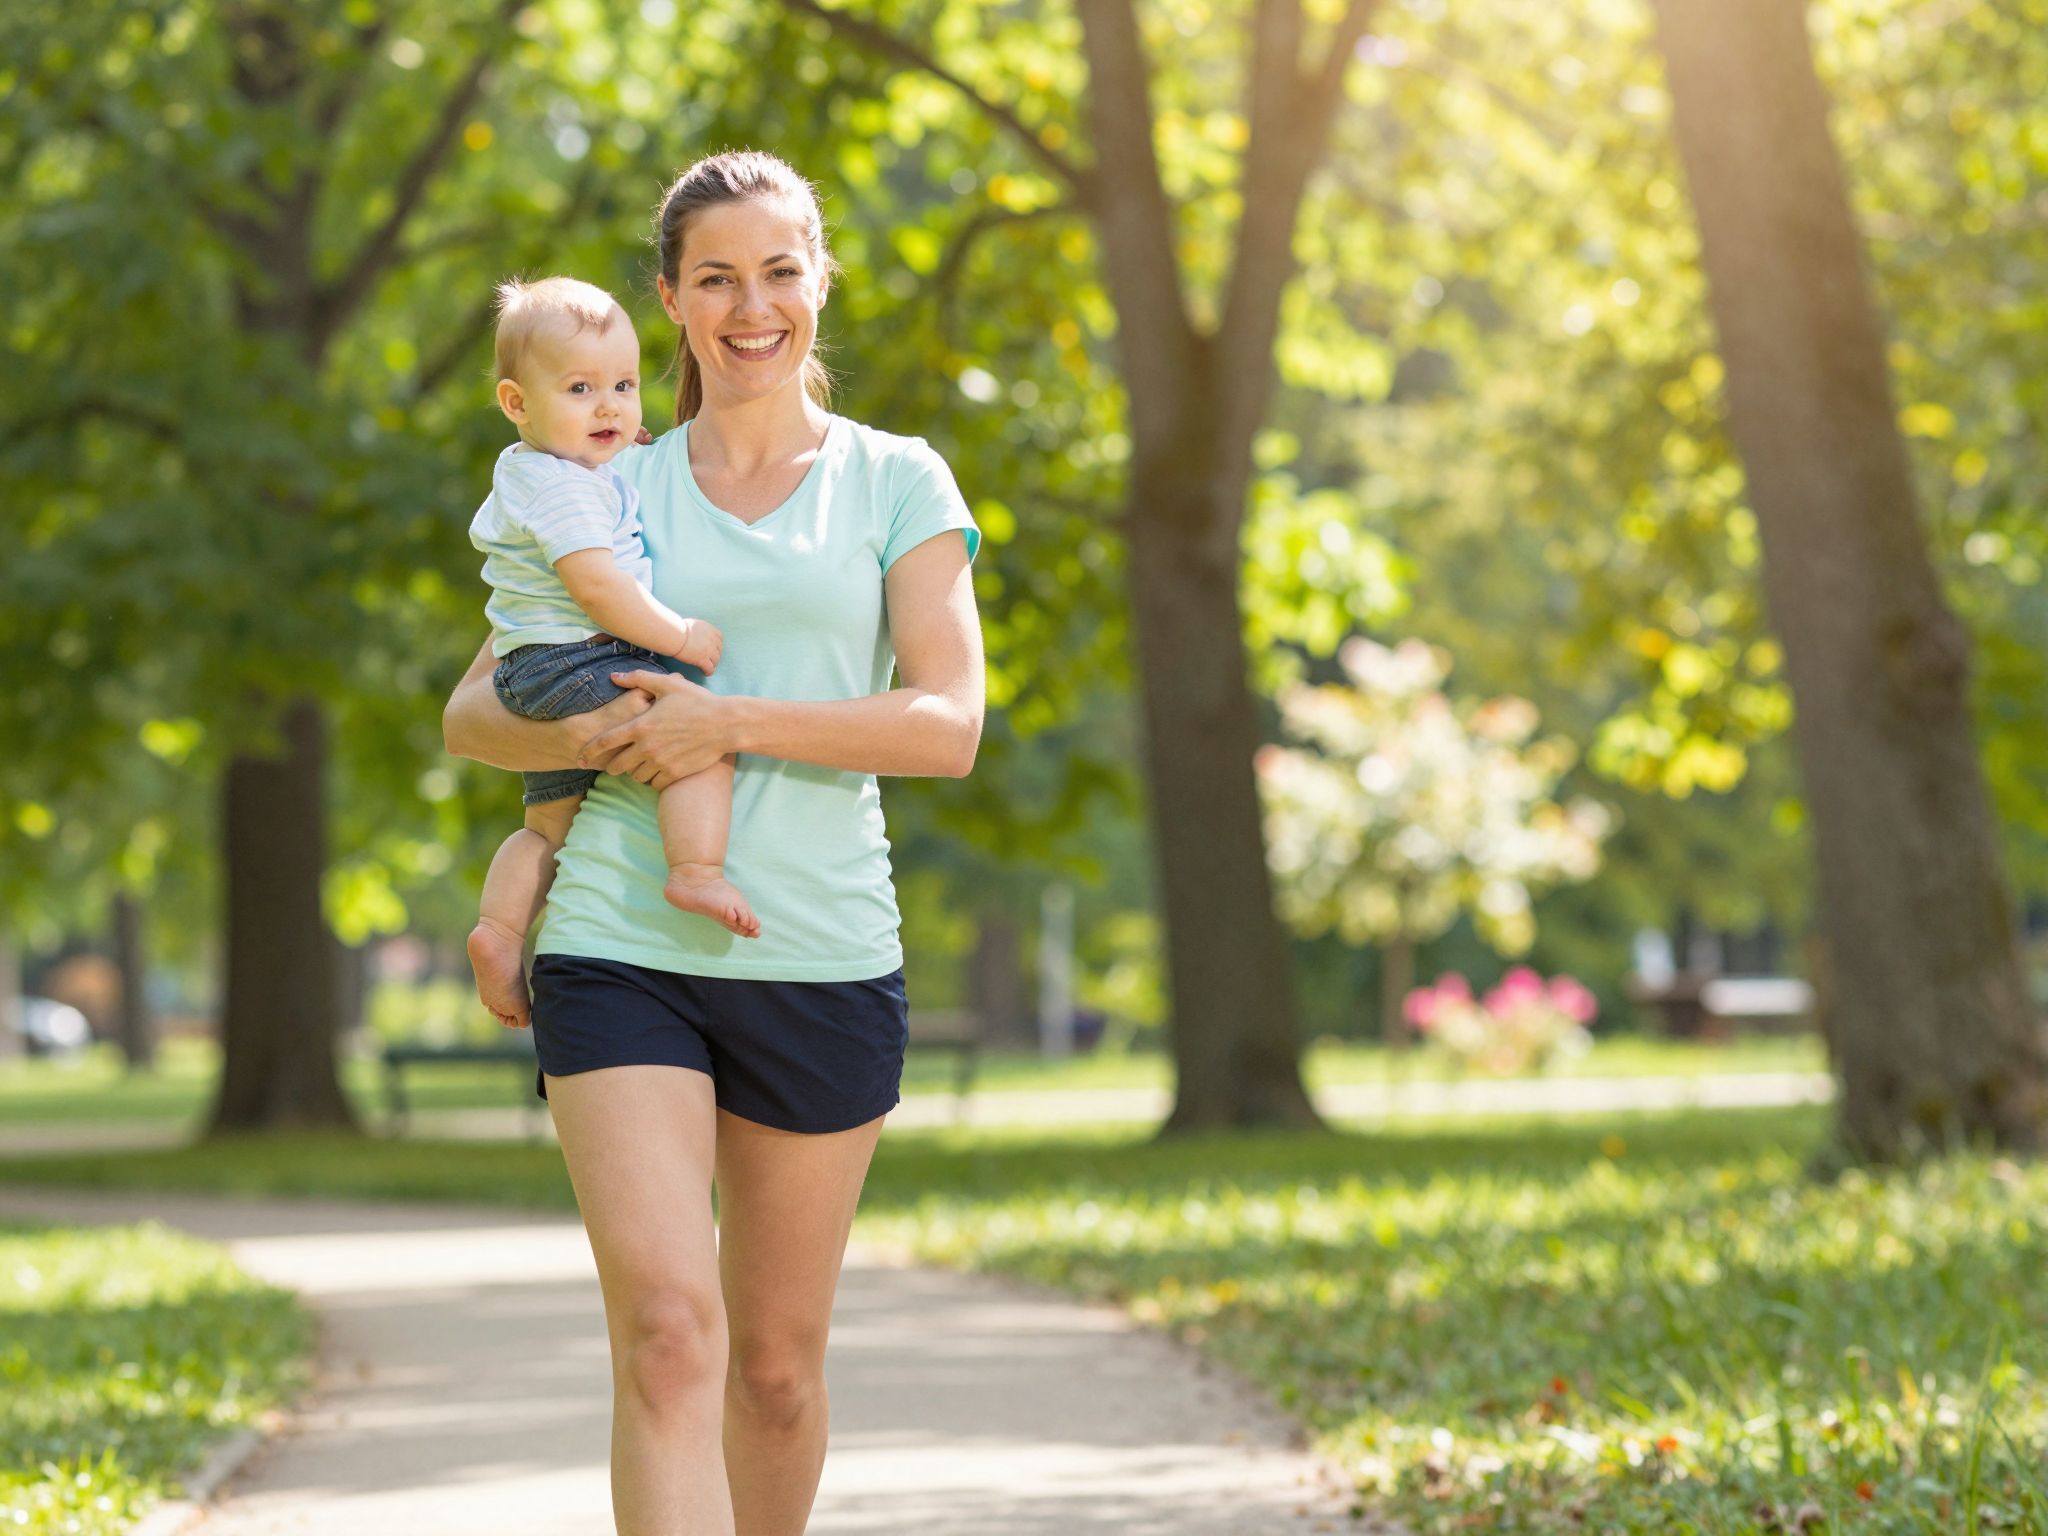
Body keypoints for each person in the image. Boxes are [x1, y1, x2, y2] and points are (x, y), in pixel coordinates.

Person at [441, 148, 984, 1536]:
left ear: (820, 283)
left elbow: (946, 725)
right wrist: (597, 731)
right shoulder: (603, 477)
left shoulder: (895, 480)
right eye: (717, 279)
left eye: (779, 272)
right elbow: (472, 712)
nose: (752, 307)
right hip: (621, 938)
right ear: (670, 299)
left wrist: (726, 721)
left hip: (820, 949)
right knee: (670, 1335)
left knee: (777, 1374)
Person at [466, 275, 757, 1036]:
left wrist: (619, 445)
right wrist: (680, 638)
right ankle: (695, 872)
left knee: (546, 827)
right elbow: (598, 587)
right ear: (516, 403)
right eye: (581, 389)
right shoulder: (561, 489)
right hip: (579, 659)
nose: (609, 408)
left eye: (624, 387)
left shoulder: (545, 469)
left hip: (534, 668)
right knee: (700, 739)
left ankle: (498, 931)